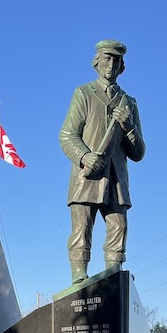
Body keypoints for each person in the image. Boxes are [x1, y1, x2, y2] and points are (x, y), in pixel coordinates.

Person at [59, 39, 145, 285]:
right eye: (107, 58)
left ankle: (114, 275)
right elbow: (67, 135)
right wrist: (85, 156)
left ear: (122, 67)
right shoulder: (84, 93)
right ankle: (79, 276)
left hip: (116, 179)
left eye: (116, 60)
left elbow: (138, 152)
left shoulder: (129, 103)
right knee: (82, 228)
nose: (111, 64)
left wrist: (129, 128)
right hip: (87, 175)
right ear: (97, 63)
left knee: (118, 228)